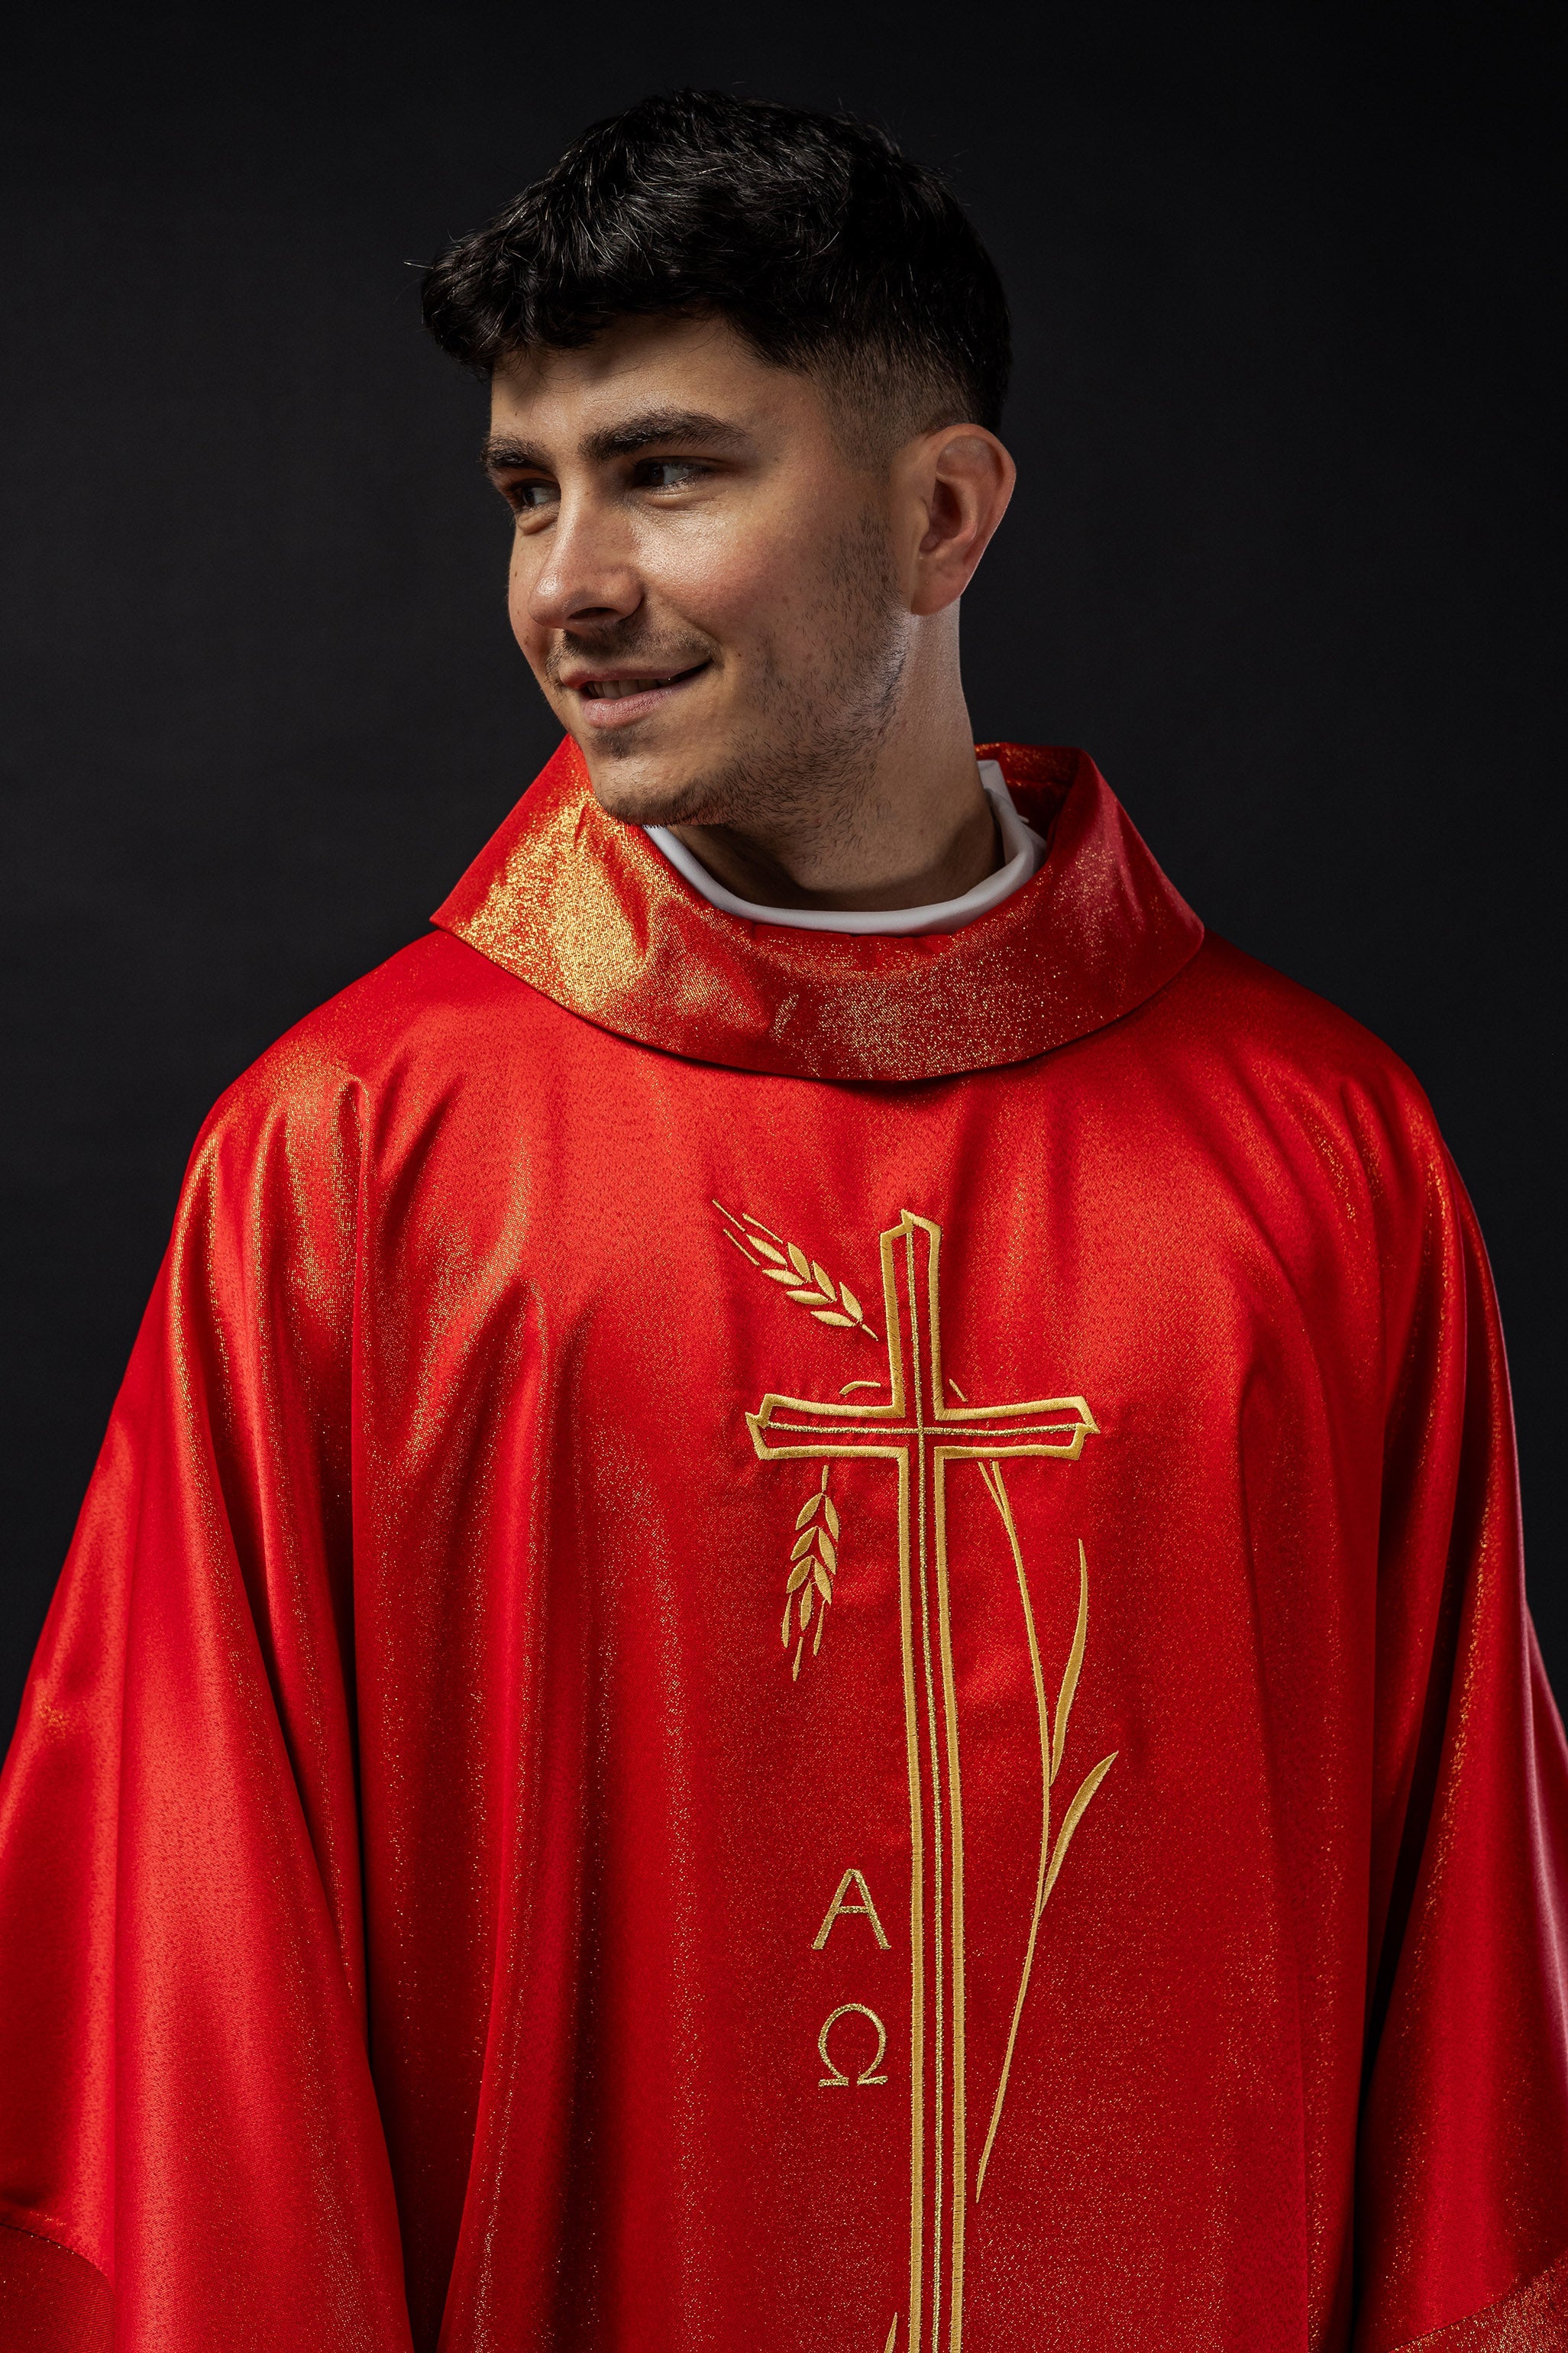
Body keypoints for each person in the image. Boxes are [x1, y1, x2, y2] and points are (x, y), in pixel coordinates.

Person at [1, 89, 1563, 2353]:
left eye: (669, 471)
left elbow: (1475, 2032)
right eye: (528, 495)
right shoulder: (351, 1162)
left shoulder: (1320, 1160)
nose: (567, 586)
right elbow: (184, 2016)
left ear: (943, 513)